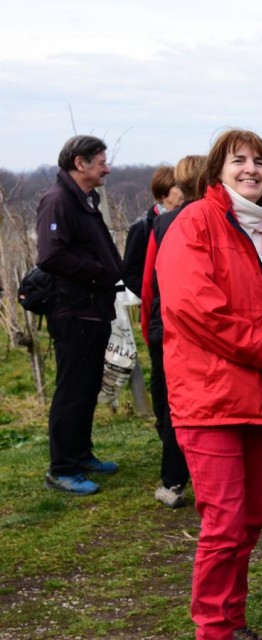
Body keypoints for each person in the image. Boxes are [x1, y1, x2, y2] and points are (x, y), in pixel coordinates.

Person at [156, 129, 262, 640]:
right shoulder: (195, 224)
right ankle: (213, 630)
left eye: (259, 162)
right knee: (224, 525)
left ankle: (232, 621)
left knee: (247, 524)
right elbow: (196, 308)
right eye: (238, 160)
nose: (250, 169)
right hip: (210, 400)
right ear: (216, 170)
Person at [36, 135, 123, 496]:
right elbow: (51, 256)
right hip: (73, 310)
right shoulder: (58, 201)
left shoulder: (84, 199)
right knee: (72, 390)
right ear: (79, 163)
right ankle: (62, 468)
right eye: (101, 161)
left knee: (87, 387)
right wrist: (99, 272)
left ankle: (81, 453)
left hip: (92, 308)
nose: (107, 167)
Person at [139, 155, 206, 508]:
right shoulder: (224, 218)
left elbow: (151, 278)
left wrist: (149, 324)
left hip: (168, 325)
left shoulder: (165, 223)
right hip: (199, 326)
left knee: (174, 406)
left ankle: (173, 481)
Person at [121, 166, 183, 297]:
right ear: (163, 192)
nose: (183, 191)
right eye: (177, 186)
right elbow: (129, 274)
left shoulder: (189, 221)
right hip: (160, 308)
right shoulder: (142, 227)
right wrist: (154, 297)